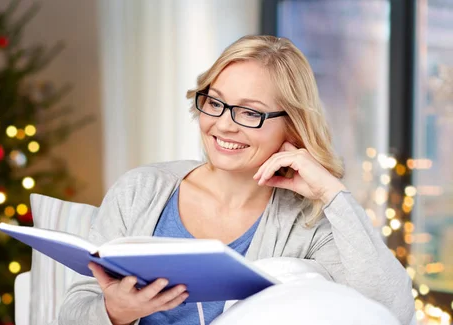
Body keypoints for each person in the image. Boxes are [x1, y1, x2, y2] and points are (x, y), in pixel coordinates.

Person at [57, 35, 414, 325]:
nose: (224, 124)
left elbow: (391, 311)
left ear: (292, 124)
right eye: (214, 102)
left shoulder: (307, 222)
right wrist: (114, 312)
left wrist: (332, 192)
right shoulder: (141, 190)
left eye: (250, 112)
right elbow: (71, 312)